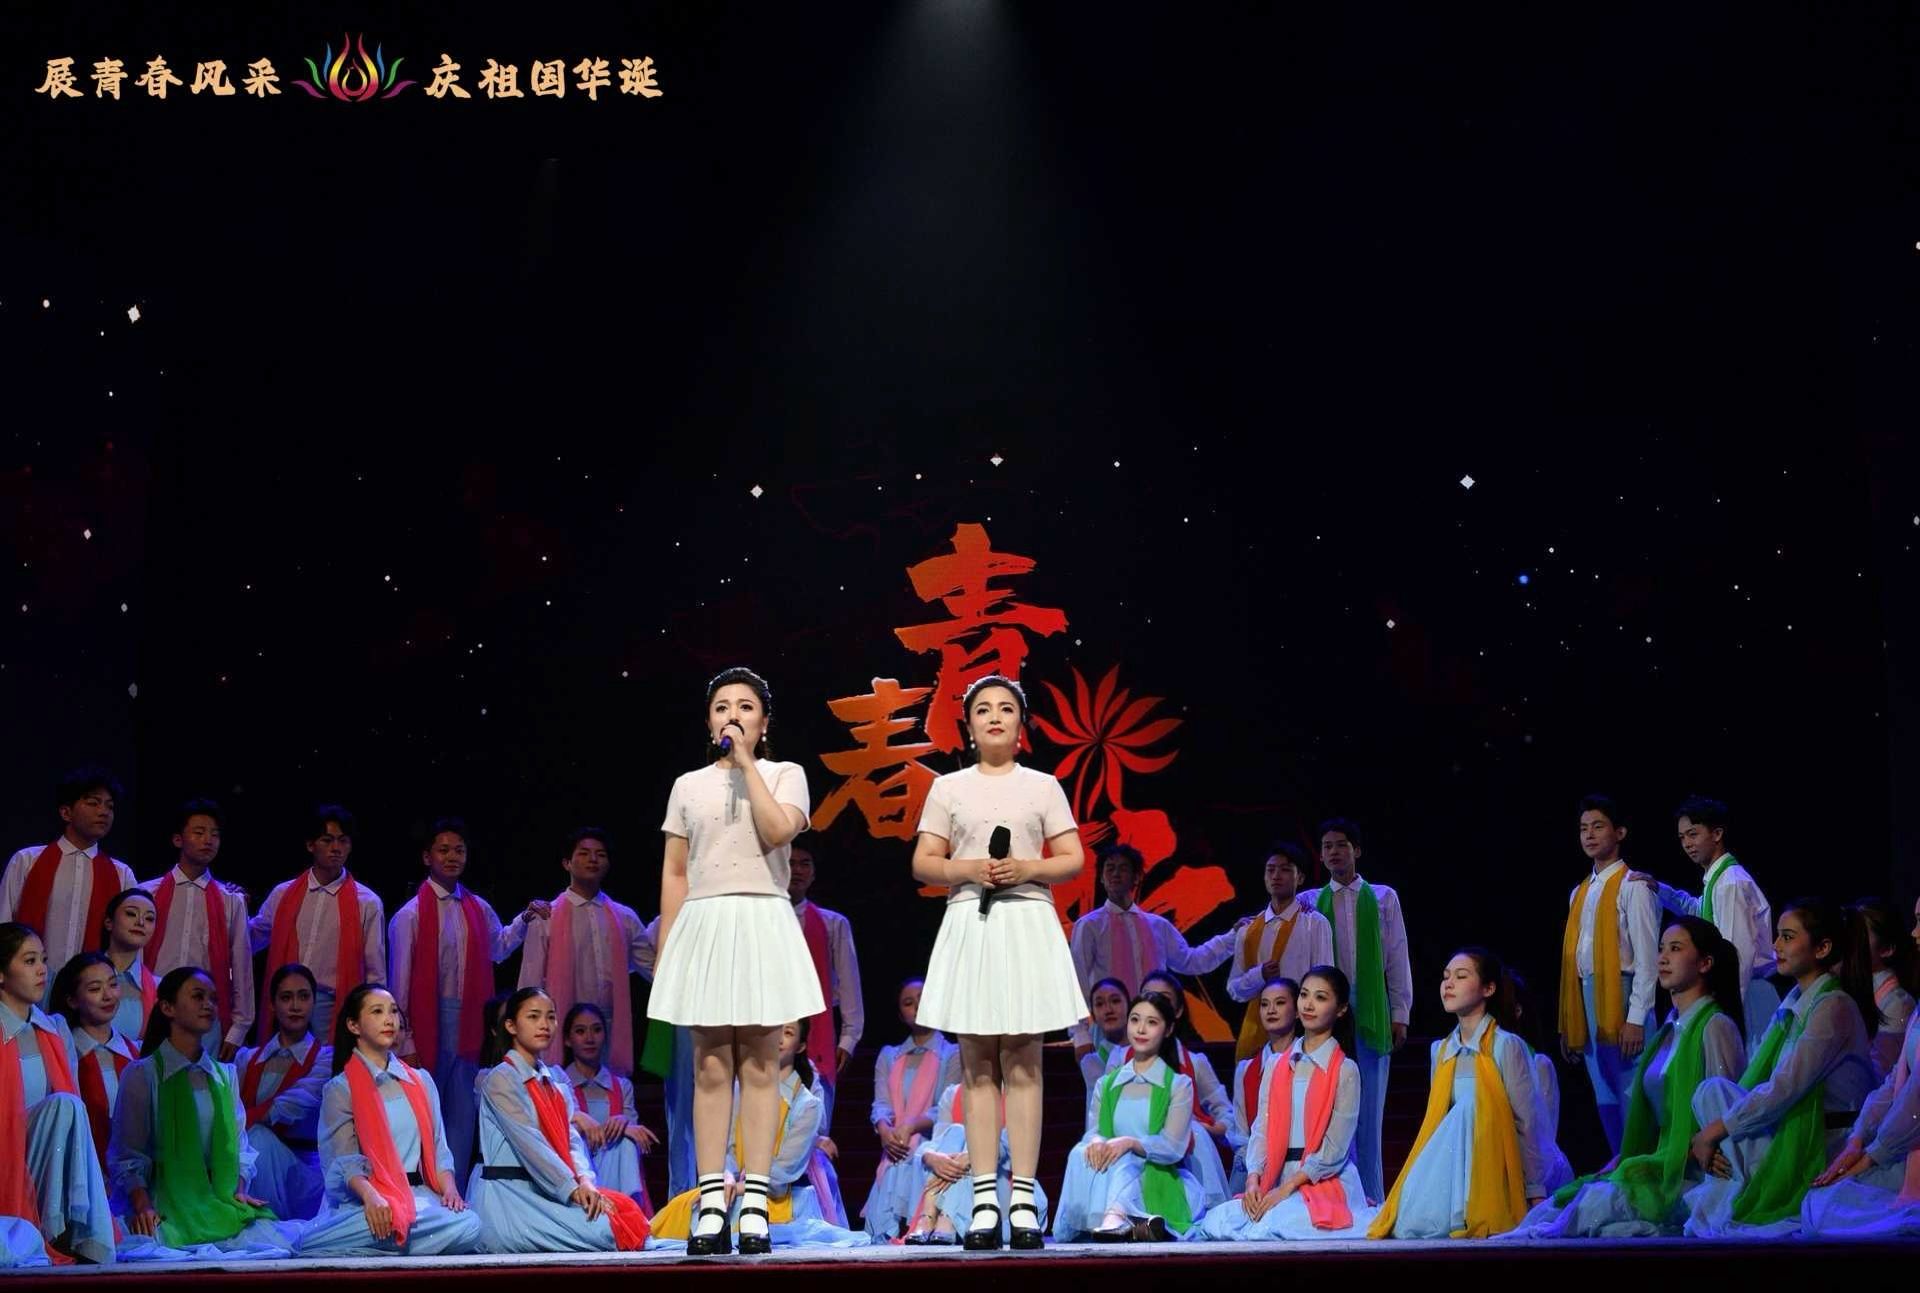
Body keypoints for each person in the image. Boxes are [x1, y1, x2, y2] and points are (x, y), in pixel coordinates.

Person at [650, 667, 823, 1256]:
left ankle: (753, 1202)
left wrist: (748, 764)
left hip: (762, 918)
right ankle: (709, 1203)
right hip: (705, 922)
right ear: (708, 721)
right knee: (709, 1066)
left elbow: (778, 832)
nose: (733, 715)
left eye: (746, 706)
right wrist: (669, 949)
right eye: (722, 706)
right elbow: (676, 872)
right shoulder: (687, 785)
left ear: (764, 722)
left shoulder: (785, 774)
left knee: (760, 1064)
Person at [913, 674, 1087, 1250]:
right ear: (968, 726)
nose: (994, 716)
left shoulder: (1043, 786)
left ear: (1020, 725)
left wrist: (1027, 868)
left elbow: (1072, 857)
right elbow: (924, 861)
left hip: (1026, 920)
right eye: (983, 709)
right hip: (972, 920)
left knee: (1025, 1063)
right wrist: (968, 869)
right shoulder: (948, 788)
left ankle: (1024, 1199)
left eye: (1005, 708)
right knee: (977, 1065)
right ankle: (984, 1198)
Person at [1524, 916, 1747, 1237]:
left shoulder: (1715, 1026)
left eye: (1676, 949)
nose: (1663, 958)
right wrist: (1625, 1161)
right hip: (1659, 1163)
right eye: (1661, 949)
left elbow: (1725, 1106)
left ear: (1705, 963)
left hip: (1692, 1172)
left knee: (1594, 1207)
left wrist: (1674, 1158)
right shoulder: (1668, 1031)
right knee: (1560, 1203)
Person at [1682, 900, 1878, 1237]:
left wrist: (1714, 1131)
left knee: (1718, 1105)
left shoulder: (1833, 1006)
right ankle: (1732, 1186)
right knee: (1710, 1091)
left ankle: (1740, 1193)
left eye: (1787, 937)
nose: (1776, 946)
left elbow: (1785, 1088)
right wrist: (1711, 1134)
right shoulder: (1791, 1006)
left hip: (1823, 1143)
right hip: (1787, 1131)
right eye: (1777, 936)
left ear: (1822, 948)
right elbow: (1759, 1083)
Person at [389, 816, 543, 1180]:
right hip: (428, 1021)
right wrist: (405, 1039)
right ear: (427, 857)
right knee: (425, 1110)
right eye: (443, 850)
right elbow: (399, 985)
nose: (452, 857)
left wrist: (525, 919)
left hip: (470, 1020)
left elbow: (499, 947)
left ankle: (454, 1192)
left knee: (462, 1115)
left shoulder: (478, 908)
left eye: (458, 850)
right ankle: (421, 1190)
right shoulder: (410, 915)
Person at [108, 967, 295, 1260]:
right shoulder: (143, 1074)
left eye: (213, 999)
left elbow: (239, 1146)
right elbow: (128, 1154)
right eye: (198, 996)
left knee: (276, 1245)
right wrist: (143, 1205)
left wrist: (239, 1190)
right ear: (168, 1007)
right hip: (163, 1201)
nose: (208, 1005)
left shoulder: (225, 1076)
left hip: (216, 1200)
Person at [1368, 948, 1551, 1239]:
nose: (1449, 984)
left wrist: (1535, 1191)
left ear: (1488, 988)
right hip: (1453, 1170)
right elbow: (1440, 1123)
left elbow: (1526, 1123)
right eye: (1445, 977)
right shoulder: (1441, 1051)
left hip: (1493, 1167)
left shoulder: (1505, 1046)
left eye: (1461, 976)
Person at [1186, 965, 1377, 1239]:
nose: (1308, 1004)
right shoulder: (1276, 1064)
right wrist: (1253, 1179)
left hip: (1321, 1180)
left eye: (1320, 998)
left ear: (1341, 1009)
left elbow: (1334, 1149)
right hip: (1275, 1175)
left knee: (1281, 1223)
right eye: (1304, 995)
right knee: (1218, 1220)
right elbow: (1261, 1130)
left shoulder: (1345, 1070)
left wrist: (1286, 1189)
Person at [293, 983, 481, 1256]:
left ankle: (381, 1248)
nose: (389, 1019)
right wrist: (372, 1197)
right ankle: (391, 1243)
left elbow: (439, 1148)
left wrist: (450, 1191)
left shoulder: (421, 1080)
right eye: (377, 1011)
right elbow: (343, 1161)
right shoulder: (341, 1088)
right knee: (311, 1243)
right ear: (354, 1026)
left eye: (393, 1011)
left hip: (420, 1200)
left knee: (470, 1225)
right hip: (369, 1200)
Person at [651, 1018, 868, 1248]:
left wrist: (741, 1187)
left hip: (777, 1195)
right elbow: (728, 1145)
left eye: (788, 1033)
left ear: (801, 1046)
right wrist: (726, 1175)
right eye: (777, 1030)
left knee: (740, 1214)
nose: (779, 1039)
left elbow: (784, 1170)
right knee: (683, 1210)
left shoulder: (807, 1104)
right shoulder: (736, 1090)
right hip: (732, 1186)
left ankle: (751, 1212)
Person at [468, 987, 650, 1253]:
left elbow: (572, 1140)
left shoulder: (553, 1081)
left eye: (550, 1017)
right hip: (512, 1197)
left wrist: (586, 1182)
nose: (544, 1024)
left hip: (547, 1189)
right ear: (511, 1026)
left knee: (626, 1214)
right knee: (606, 1231)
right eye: (533, 1017)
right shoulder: (501, 1079)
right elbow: (532, 1147)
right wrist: (573, 1190)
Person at [1298, 817, 1411, 1203]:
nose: (1333, 852)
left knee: (1370, 1113)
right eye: (1326, 846)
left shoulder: (1382, 897)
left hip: (1372, 1007)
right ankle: (1336, 1199)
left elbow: (1397, 956)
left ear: (1357, 850)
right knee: (1331, 1109)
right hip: (1330, 1011)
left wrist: (1400, 1011)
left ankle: (1373, 1199)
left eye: (1340, 845)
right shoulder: (1310, 901)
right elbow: (1278, 920)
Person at [1800, 895, 1920, 1238]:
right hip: (1887, 1133)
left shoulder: (1898, 1003)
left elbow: (1910, 1098)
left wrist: (1870, 1154)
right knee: (1819, 1203)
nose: (1915, 933)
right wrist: (1858, 1140)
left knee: (1825, 1206)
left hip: (1900, 1139)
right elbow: (1894, 1084)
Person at [0, 923, 116, 1263]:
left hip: (43, 1158)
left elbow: (72, 1108)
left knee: (68, 1105)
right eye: (29, 961)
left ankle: (66, 1230)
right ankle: (59, 1232)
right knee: (65, 1105)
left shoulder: (53, 1029)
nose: (41, 970)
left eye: (43, 960)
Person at [1055, 991, 1209, 1241]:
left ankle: (1117, 1217)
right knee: (1079, 1152)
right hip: (1109, 1166)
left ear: (1168, 1029)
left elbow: (1172, 1147)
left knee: (1126, 1162)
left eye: (1152, 1022)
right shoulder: (1107, 1084)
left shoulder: (1178, 1085)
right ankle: (1125, 1223)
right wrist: (1097, 1142)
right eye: (1135, 1020)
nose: (1141, 1029)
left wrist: (1130, 1143)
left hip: (1153, 1171)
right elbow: (1094, 1131)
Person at [1635, 796, 1782, 1050]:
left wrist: (1725, 1012)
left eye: (1693, 834)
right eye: (1682, 837)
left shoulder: (1730, 883)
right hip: (1742, 993)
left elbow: (1737, 955)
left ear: (1717, 834)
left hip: (1747, 996)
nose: (1687, 844)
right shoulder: (1718, 880)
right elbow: (1699, 910)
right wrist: (1661, 889)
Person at [1559, 794, 1661, 1154]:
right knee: (1604, 1093)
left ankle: (1642, 1165)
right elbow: (1576, 961)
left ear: (1619, 832)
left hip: (1623, 995)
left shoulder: (1634, 887)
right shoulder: (1579, 892)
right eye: (1583, 828)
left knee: (1632, 1091)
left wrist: (1636, 1018)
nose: (1589, 835)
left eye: (1598, 826)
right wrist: (1571, 1021)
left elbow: (1648, 960)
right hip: (1589, 997)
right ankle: (1621, 1162)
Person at [517, 828, 653, 1076]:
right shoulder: (547, 915)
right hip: (563, 1026)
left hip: (610, 1025)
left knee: (612, 1089)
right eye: (584, 853)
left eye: (600, 854)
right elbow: (530, 982)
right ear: (567, 863)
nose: (593, 859)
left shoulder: (625, 917)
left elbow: (653, 969)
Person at [248, 806, 386, 1044]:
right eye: (327, 840)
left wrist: (376, 1017)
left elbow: (375, 969)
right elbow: (252, 938)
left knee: (328, 1066)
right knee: (282, 1064)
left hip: (332, 1004)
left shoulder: (367, 902)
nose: (336, 848)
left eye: (343, 841)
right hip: (286, 1000)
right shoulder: (283, 893)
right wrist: (232, 906)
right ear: (310, 845)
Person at [0, 767, 137, 996]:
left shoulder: (121, 874)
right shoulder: (27, 861)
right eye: (93, 803)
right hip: (29, 986)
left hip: (92, 994)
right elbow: (4, 926)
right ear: (66, 812)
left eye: (110, 806)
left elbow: (128, 944)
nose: (104, 812)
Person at [138, 799, 254, 1061]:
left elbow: (242, 967)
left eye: (215, 834)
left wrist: (238, 1029)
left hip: (205, 1014)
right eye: (199, 832)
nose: (208, 840)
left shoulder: (230, 901)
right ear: (178, 839)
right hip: (152, 1007)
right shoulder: (147, 893)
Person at [1069, 842, 1244, 1014]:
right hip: (1110, 1022)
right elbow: (1077, 978)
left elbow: (1191, 961)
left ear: (1137, 877)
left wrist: (1232, 937)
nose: (1115, 874)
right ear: (1101, 877)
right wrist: (1083, 1027)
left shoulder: (1158, 926)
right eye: (1110, 868)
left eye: (1123, 868)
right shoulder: (1088, 925)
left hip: (1152, 1020)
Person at [1120, 971, 1234, 1204]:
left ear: (1178, 1011)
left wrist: (1213, 1129)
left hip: (1187, 1154)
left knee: (1195, 1131)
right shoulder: (1120, 1059)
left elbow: (1226, 1112)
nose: (1153, 1006)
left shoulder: (1195, 1062)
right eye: (1147, 997)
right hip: (1136, 1152)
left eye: (1163, 998)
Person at [859, 977, 959, 1239]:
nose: (917, 1006)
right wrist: (884, 1129)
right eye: (908, 1002)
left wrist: (911, 1126)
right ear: (901, 1013)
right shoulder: (889, 1055)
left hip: (932, 1143)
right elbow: (881, 1103)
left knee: (916, 1150)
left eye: (922, 999)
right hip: (896, 1145)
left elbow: (947, 1106)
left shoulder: (952, 1053)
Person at [232, 964, 331, 1224]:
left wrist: (237, 1124)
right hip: (249, 1157)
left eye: (303, 996)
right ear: (273, 1005)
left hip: (303, 1169)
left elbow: (292, 1106)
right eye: (286, 998)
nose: (295, 1006)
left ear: (313, 1002)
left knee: (257, 1137)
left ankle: (258, 1222)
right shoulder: (246, 1059)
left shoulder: (325, 1059)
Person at [1225, 843, 1333, 1064]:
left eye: (1285, 869)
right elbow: (1234, 989)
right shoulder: (1248, 930)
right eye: (1271, 869)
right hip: (1257, 1033)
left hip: (1302, 1034)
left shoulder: (1314, 924)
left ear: (1299, 878)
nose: (1276, 875)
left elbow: (1325, 984)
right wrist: (1259, 976)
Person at [788, 847, 864, 1126]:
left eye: (804, 864)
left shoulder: (832, 924)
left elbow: (849, 984)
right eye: (790, 863)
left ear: (813, 874)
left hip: (817, 1034)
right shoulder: (762, 921)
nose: (797, 870)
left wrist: (849, 1038)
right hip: (769, 1030)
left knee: (814, 1126)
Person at [559, 1002, 658, 1208]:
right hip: (578, 1172)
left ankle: (629, 1210)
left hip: (617, 1170)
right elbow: (561, 1136)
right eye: (580, 1031)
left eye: (596, 1030)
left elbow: (637, 1137)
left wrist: (624, 1123)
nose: (589, 1038)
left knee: (627, 1145)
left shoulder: (622, 1086)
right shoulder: (559, 1084)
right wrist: (614, 1127)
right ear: (568, 1040)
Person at [51, 952, 138, 1170]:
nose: (108, 995)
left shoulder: (136, 1053)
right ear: (72, 1000)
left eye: (113, 985)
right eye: (95, 989)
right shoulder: (63, 1055)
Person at [1226, 976, 1300, 1195]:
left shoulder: (1308, 1063)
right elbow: (1241, 1130)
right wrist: (1254, 1169)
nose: (1271, 1010)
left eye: (1280, 1003)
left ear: (1297, 1011)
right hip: (1254, 1167)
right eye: (1265, 1004)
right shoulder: (1246, 1069)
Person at [1843, 898, 1917, 1078]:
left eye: (1860, 936)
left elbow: (1880, 1075)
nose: (1849, 943)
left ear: (1887, 949)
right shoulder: (1848, 986)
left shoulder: (1898, 1003)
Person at [99, 888, 160, 1041]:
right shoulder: (80, 974)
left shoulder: (159, 988)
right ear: (109, 923)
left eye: (149, 918)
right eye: (131, 914)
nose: (140, 922)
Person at [1078, 977, 1131, 1091]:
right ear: (1093, 1016)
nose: (1108, 1010)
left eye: (1115, 1001)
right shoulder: (1090, 1063)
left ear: (1130, 1008)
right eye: (1099, 1004)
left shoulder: (1148, 1055)